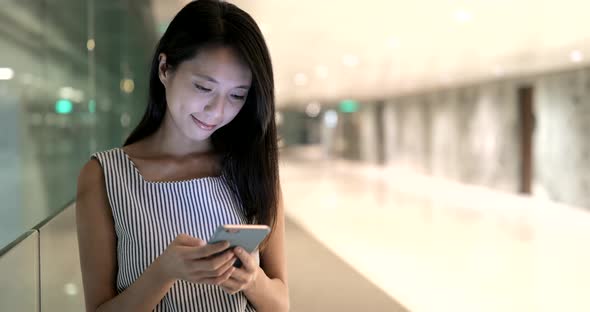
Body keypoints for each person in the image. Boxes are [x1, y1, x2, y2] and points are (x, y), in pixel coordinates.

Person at [75, 1, 288, 311]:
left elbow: (281, 304)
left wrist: (252, 280)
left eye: (237, 95)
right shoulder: (106, 175)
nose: (217, 111)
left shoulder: (252, 169)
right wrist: (163, 273)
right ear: (164, 69)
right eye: (203, 87)